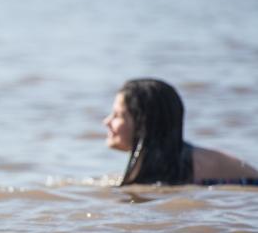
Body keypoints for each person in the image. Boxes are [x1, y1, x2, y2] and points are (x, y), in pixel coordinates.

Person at [103, 78, 258, 186]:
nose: (107, 121)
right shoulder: (155, 163)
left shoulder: (198, 164)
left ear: (144, 123)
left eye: (118, 115)